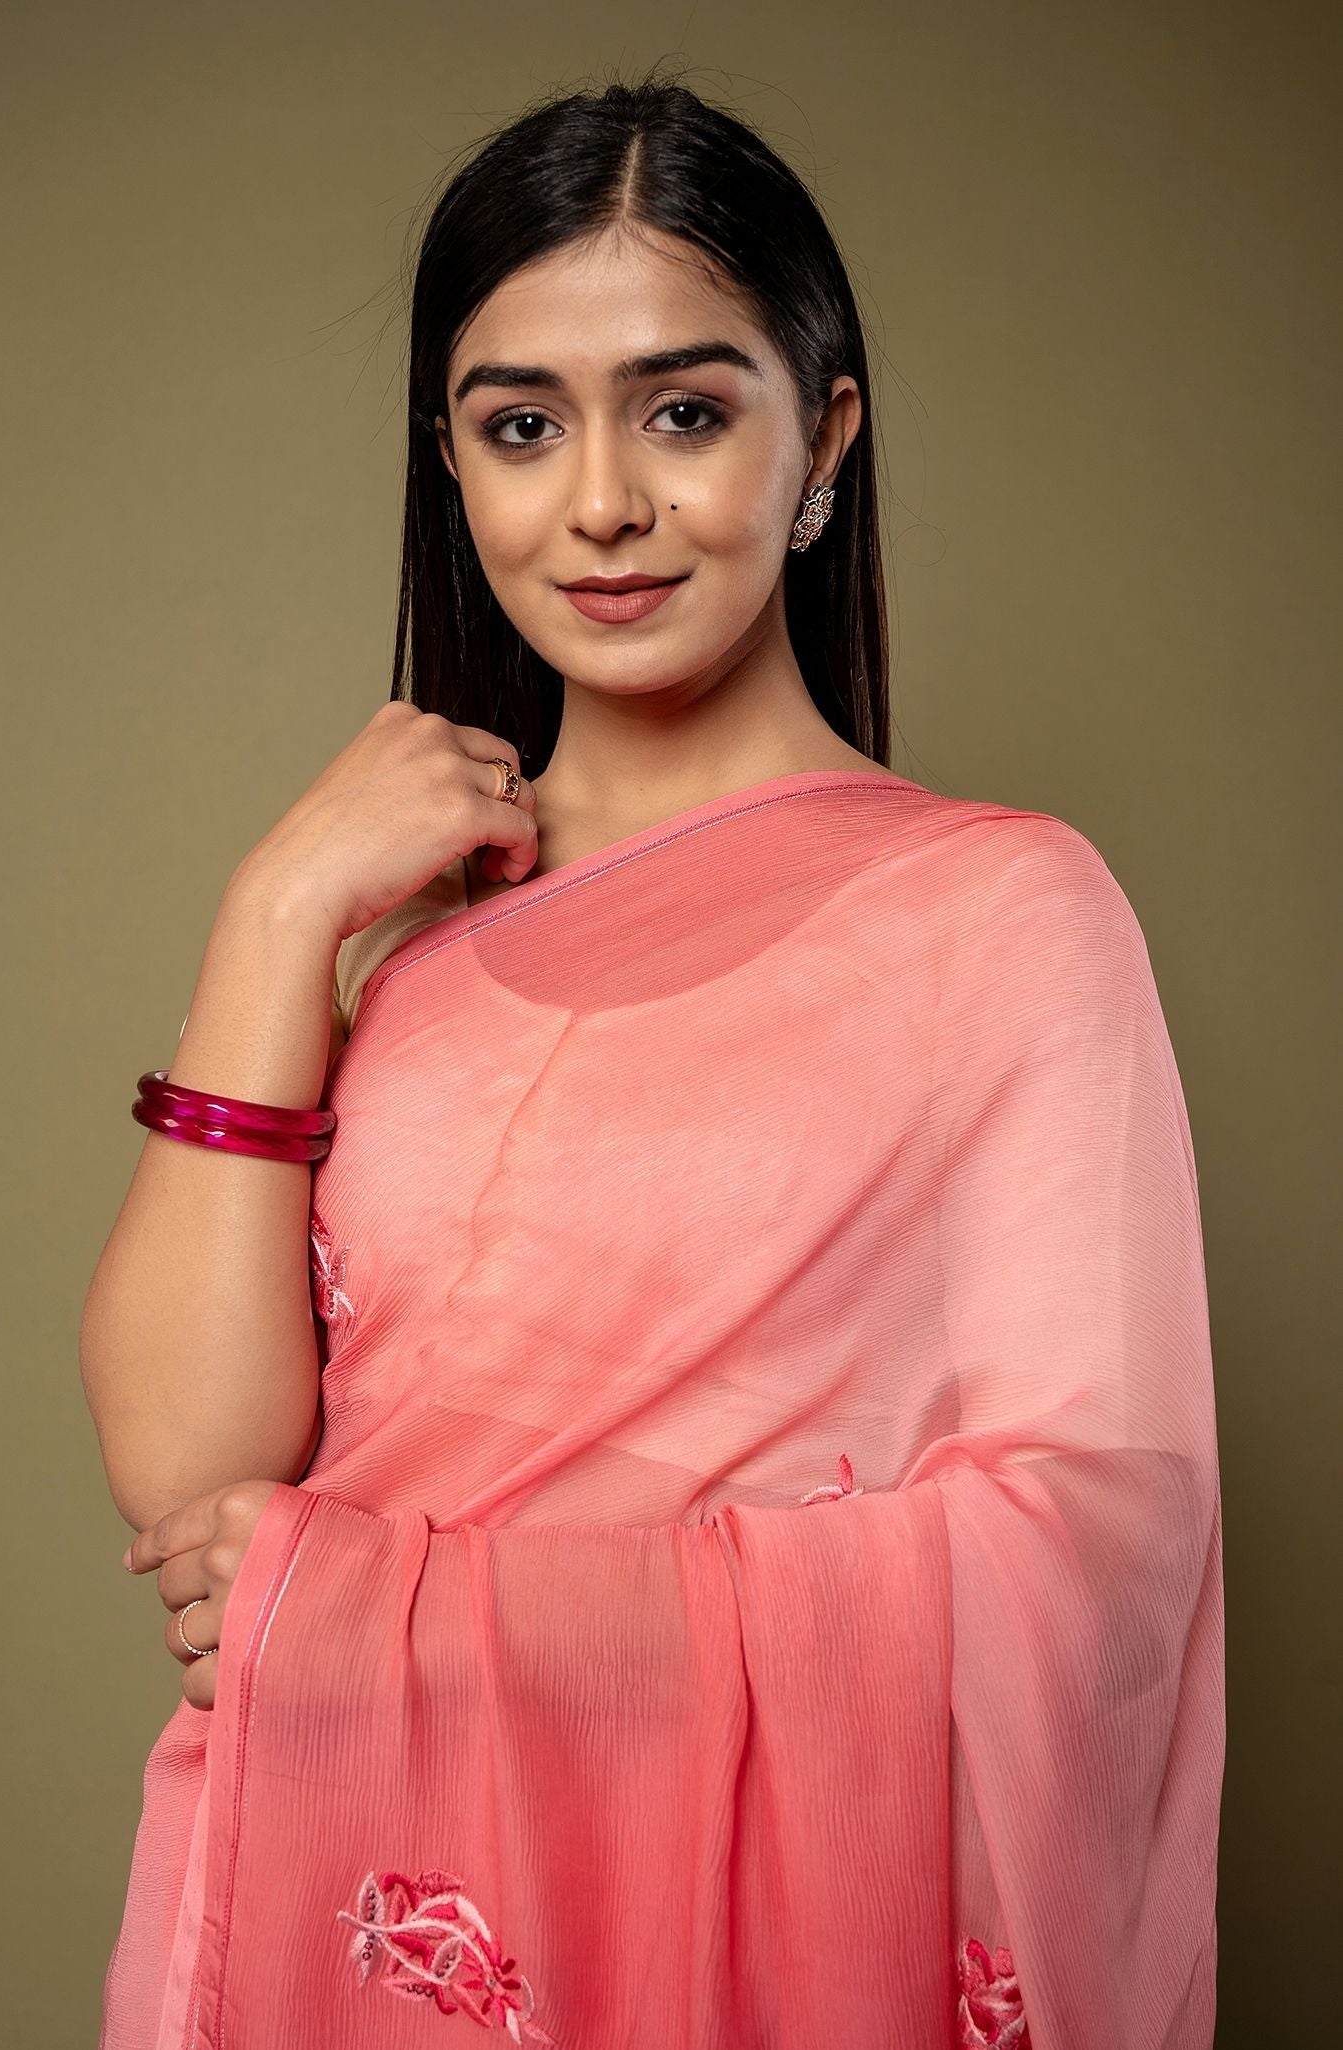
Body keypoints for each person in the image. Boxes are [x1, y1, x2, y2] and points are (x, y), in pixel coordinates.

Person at [83, 70, 1224, 2050]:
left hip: (721, 1952)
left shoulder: (995, 912)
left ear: (821, 439)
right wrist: (271, 918)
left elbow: (1090, 1562)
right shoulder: (403, 951)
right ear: (451, 462)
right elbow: (196, 1496)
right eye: (519, 425)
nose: (599, 501)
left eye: (683, 411)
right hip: (322, 1899)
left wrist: (430, 1620)